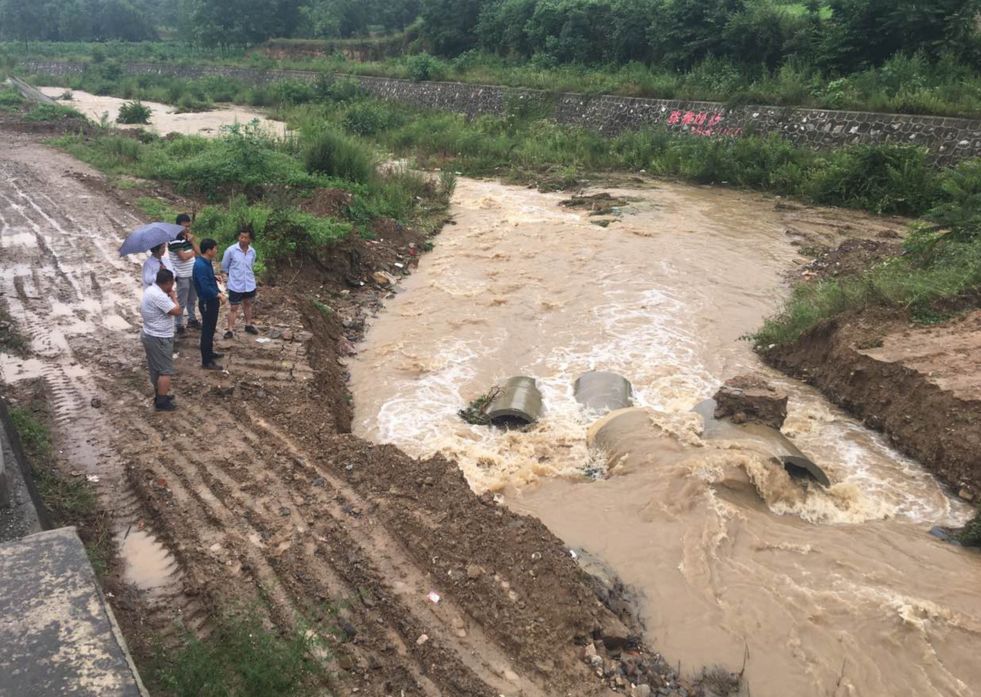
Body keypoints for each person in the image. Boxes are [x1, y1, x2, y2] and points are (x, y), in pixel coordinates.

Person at [141, 268, 182, 411]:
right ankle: (162, 401)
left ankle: (160, 395)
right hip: (160, 337)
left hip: (150, 334)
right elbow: (177, 311)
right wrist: (174, 297)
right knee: (165, 371)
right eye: (172, 284)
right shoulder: (159, 296)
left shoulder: (150, 290)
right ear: (168, 282)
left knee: (155, 369)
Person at [192, 238, 226, 370]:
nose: (216, 250)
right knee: (207, 330)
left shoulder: (206, 262)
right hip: (207, 301)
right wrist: (219, 295)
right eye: (215, 248)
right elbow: (205, 287)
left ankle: (210, 353)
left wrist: (214, 277)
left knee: (211, 329)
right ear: (208, 250)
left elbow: (206, 279)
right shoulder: (200, 265)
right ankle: (206, 361)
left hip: (211, 301)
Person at [220, 227, 258, 339]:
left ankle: (248, 325)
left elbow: (251, 265)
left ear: (250, 239)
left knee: (248, 304)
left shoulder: (252, 251)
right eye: (241, 237)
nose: (243, 239)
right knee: (234, 307)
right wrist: (231, 277)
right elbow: (224, 266)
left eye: (246, 237)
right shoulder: (231, 251)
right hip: (236, 285)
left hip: (249, 283)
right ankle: (230, 330)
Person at [169, 213, 200, 334]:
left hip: (192, 273)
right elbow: (183, 257)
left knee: (192, 298)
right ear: (178, 226)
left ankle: (192, 319)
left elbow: (199, 252)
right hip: (182, 275)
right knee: (181, 300)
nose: (187, 229)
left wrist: (192, 242)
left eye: (188, 226)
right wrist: (193, 253)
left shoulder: (187, 238)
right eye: (185, 226)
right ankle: (179, 324)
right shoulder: (174, 240)